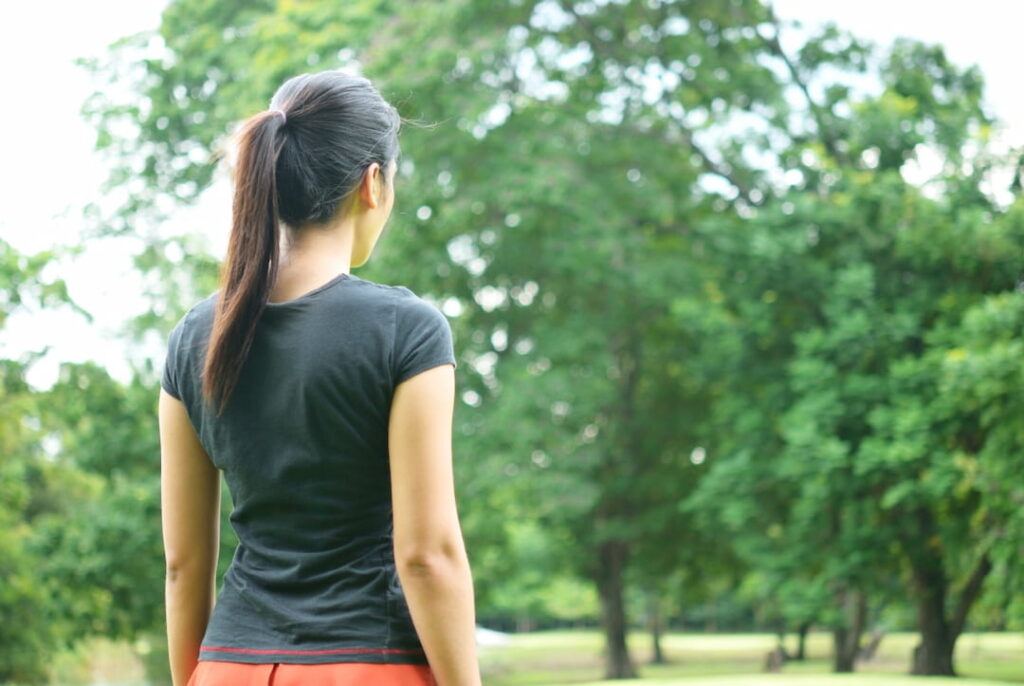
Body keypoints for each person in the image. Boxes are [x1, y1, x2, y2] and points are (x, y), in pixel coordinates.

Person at [157, 70, 482, 686]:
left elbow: (182, 565)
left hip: (227, 669)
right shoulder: (405, 330)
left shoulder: (193, 337)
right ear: (373, 183)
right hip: (369, 667)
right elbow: (426, 556)